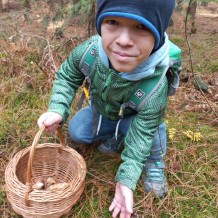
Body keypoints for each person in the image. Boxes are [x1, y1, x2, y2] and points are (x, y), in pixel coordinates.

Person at [37, 0, 176, 217]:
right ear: (100, 24)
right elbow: (67, 75)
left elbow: (142, 132)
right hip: (104, 110)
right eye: (112, 22)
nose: (123, 40)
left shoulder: (155, 85)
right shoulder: (89, 52)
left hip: (136, 119)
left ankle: (155, 162)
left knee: (152, 132)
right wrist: (57, 108)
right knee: (77, 131)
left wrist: (126, 180)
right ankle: (116, 134)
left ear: (157, 35)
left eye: (141, 27)